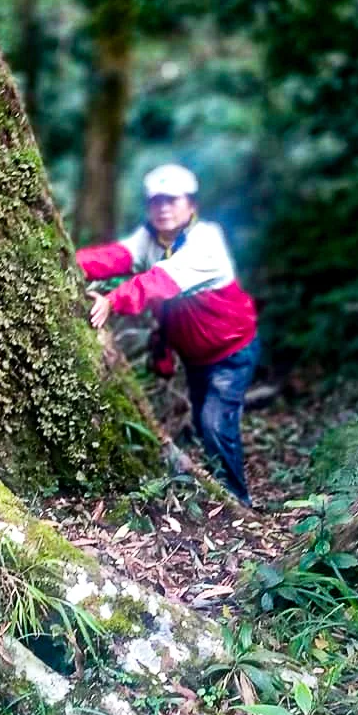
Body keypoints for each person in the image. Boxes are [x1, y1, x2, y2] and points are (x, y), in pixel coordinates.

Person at [78, 163, 259, 506]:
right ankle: (224, 487)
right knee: (205, 421)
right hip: (196, 356)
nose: (163, 208)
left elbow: (160, 281)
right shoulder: (150, 238)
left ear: (191, 205)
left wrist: (112, 301)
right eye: (156, 201)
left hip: (231, 351)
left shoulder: (207, 240)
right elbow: (115, 257)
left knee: (215, 423)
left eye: (172, 200)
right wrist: (69, 261)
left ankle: (237, 501)